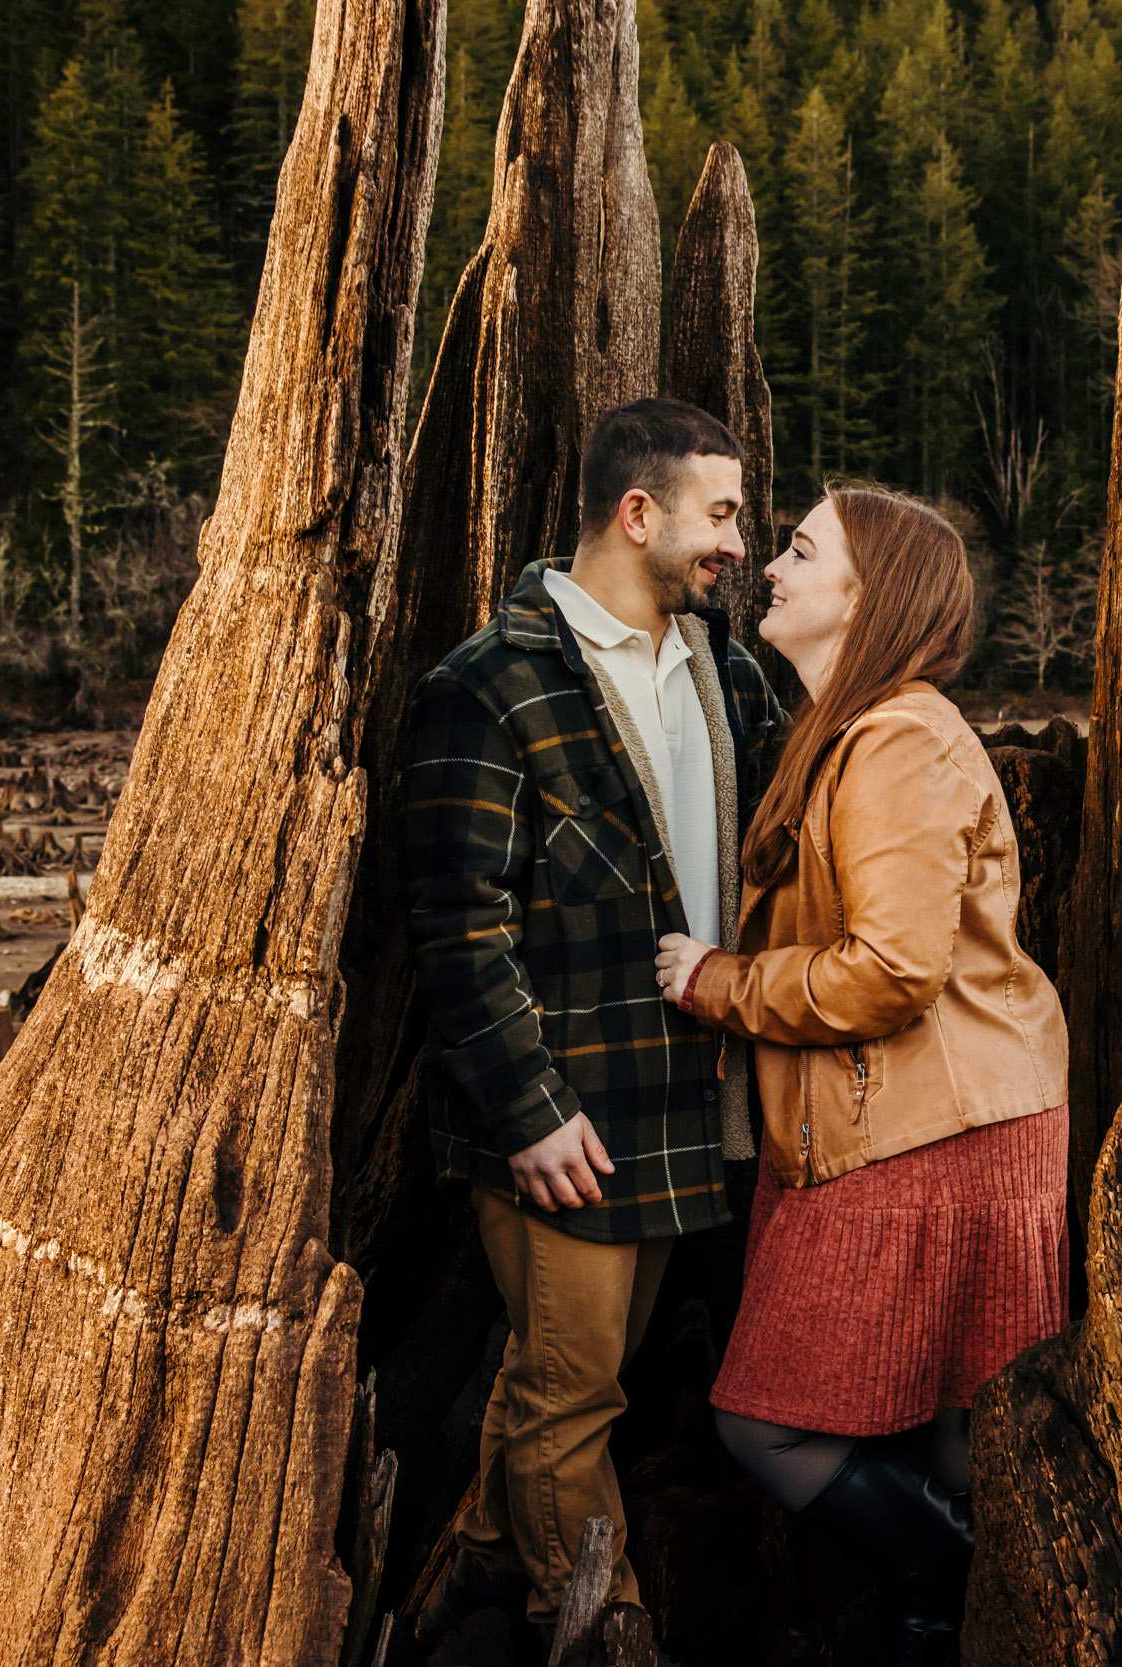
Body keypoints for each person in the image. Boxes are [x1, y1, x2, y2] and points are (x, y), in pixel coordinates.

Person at [651, 485, 1071, 1661]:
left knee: (766, 1422)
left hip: (923, 1130)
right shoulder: (857, 729)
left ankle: (970, 1586)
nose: (768, 567)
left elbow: (891, 970)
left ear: (865, 595)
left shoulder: (894, 739)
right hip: (920, 1120)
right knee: (941, 1437)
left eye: (798, 550)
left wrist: (714, 981)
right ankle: (949, 1622)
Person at [398, 398, 778, 1648]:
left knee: (559, 1371)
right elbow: (456, 922)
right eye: (720, 513)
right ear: (638, 513)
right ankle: (603, 1631)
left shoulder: (721, 669)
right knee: (573, 1394)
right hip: (564, 1108)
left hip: (682, 1101)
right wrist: (526, 1106)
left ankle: (474, 1577)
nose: (738, 540)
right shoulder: (489, 684)